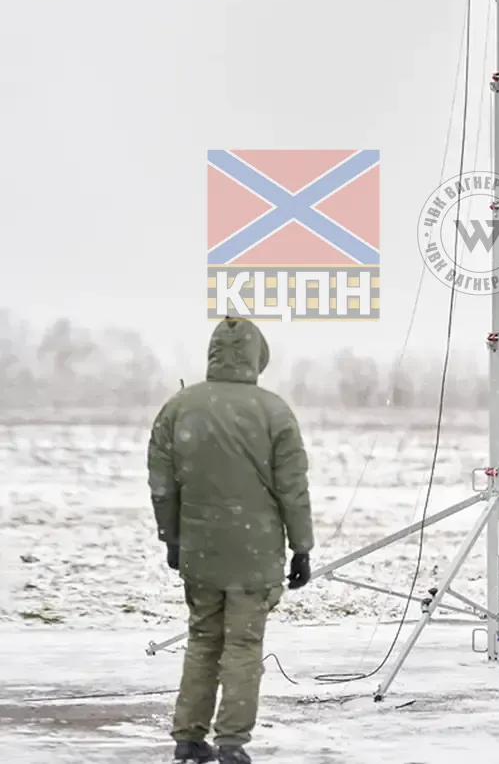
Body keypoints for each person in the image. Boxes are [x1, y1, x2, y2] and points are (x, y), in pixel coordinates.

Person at [147, 317, 314, 764]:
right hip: (255, 552)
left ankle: (187, 738)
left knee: (203, 640)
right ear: (257, 357)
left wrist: (173, 538)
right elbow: (293, 487)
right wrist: (302, 546)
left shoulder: (180, 407)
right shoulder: (274, 411)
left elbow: (162, 484)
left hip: (201, 551)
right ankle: (232, 743)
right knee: (243, 645)